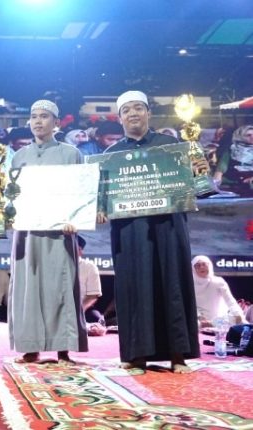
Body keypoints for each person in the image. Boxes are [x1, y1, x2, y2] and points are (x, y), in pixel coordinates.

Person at [98, 90, 202, 374]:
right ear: (119, 118)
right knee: (134, 286)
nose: (133, 113)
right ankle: (136, 355)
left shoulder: (172, 146)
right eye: (127, 110)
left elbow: (194, 186)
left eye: (138, 108)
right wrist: (99, 208)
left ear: (149, 113)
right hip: (129, 231)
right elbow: (101, 197)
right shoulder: (109, 155)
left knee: (173, 282)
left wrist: (199, 172)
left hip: (169, 227)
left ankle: (178, 355)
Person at [7, 100, 87, 364]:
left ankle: (64, 348)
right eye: (33, 116)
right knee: (28, 286)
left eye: (44, 116)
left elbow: (81, 191)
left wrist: (75, 218)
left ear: (57, 123)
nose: (38, 121)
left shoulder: (71, 154)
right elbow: (12, 194)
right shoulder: (19, 156)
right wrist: (8, 213)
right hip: (27, 233)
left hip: (60, 232)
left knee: (60, 284)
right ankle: (31, 347)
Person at [192, 255, 247, 327]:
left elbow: (230, 301)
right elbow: (191, 305)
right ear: (193, 269)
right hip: (199, 319)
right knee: (192, 324)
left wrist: (237, 314)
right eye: (198, 265)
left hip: (219, 319)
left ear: (209, 265)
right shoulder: (190, 285)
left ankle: (211, 324)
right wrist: (199, 317)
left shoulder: (218, 281)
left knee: (237, 319)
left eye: (204, 264)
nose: (201, 267)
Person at [214, 125, 253, 197]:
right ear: (240, 136)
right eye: (248, 135)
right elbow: (222, 166)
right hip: (234, 180)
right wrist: (217, 179)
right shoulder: (232, 149)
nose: (252, 137)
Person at [76, 235, 103, 323]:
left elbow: (92, 296)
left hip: (83, 308)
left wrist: (79, 312)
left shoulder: (89, 267)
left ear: (80, 251)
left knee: (96, 319)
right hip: (58, 309)